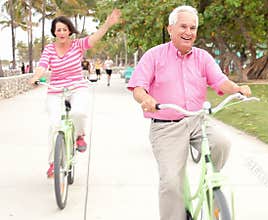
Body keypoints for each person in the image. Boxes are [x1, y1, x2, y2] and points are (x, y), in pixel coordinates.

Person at [127, 5, 251, 220]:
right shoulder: (154, 55)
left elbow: (220, 81)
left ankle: (209, 182)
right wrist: (146, 98)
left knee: (222, 143)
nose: (188, 32)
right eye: (183, 26)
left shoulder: (202, 57)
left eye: (193, 28)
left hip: (197, 121)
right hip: (166, 127)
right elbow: (138, 87)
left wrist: (238, 88)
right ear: (170, 29)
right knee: (171, 183)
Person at [29, 9, 121, 178]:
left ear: (70, 31)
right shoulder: (49, 49)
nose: (62, 32)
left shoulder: (77, 45)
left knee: (78, 112)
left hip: (77, 87)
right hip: (55, 90)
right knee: (54, 126)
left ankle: (79, 135)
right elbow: (42, 65)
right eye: (58, 30)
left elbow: (94, 38)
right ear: (54, 32)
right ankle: (53, 164)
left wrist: (107, 24)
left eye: (64, 29)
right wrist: (36, 77)